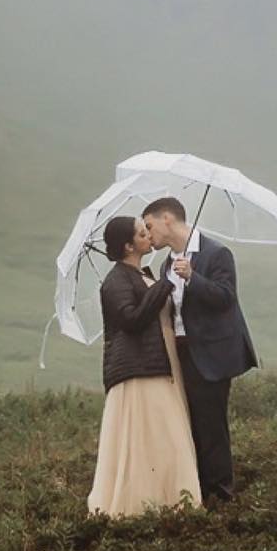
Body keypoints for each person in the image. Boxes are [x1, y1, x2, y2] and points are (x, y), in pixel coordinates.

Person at [141, 197, 257, 502]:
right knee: (187, 424)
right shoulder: (166, 263)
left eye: (150, 226)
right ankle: (195, 492)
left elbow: (225, 297)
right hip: (180, 353)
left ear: (167, 219)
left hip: (211, 355)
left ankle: (220, 495)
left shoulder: (216, 253)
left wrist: (194, 277)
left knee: (211, 425)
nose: (147, 234)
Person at [86, 214, 202, 518]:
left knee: (166, 435)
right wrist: (162, 287)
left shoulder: (141, 275)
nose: (148, 236)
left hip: (160, 361)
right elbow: (131, 320)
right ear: (128, 246)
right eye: (141, 234)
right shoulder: (115, 282)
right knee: (148, 435)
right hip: (139, 368)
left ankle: (172, 501)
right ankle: (142, 505)